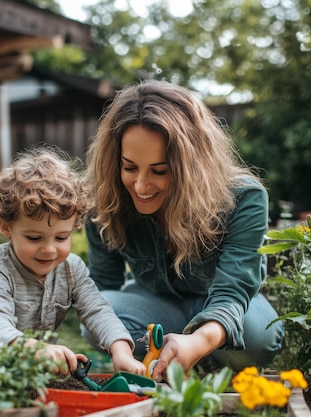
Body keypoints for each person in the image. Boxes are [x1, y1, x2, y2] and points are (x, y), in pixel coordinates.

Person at [81, 79, 284, 381]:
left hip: (224, 304)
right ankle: (172, 355)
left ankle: (199, 354)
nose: (140, 185)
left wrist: (199, 340)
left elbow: (234, 290)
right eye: (129, 167)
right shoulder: (107, 201)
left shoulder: (244, 198)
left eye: (160, 171)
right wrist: (117, 347)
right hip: (156, 308)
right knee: (99, 315)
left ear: (191, 165)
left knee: (259, 338)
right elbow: (102, 289)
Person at [0, 146, 145, 376]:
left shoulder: (72, 269)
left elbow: (97, 310)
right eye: (34, 237)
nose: (49, 250)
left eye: (62, 237)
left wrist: (121, 350)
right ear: (6, 227)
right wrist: (35, 349)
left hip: (30, 372)